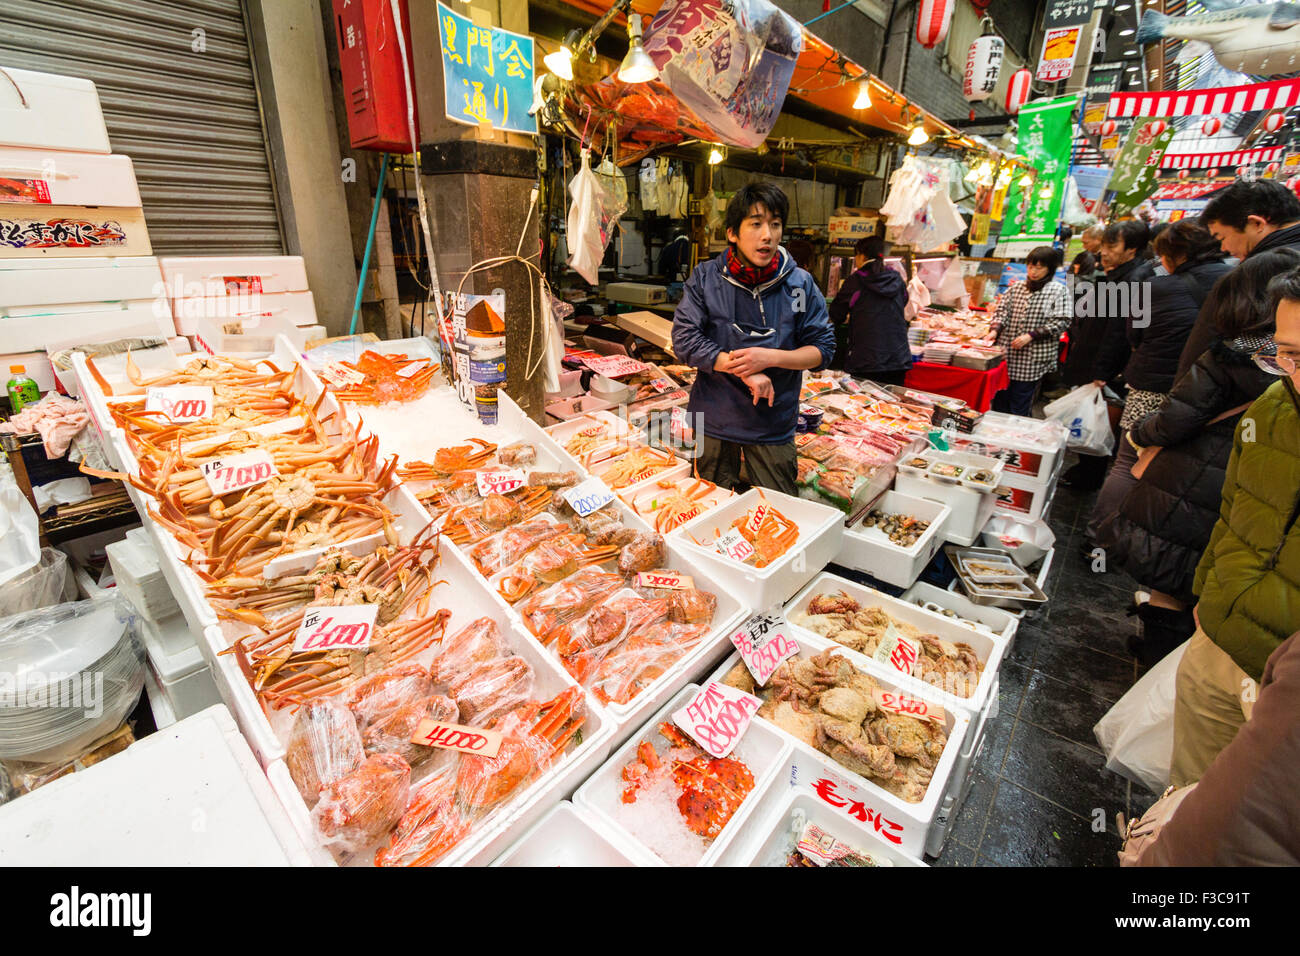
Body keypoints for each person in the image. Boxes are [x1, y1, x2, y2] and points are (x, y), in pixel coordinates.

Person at [1095, 249, 1298, 665]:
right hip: (1239, 491)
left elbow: (1177, 416)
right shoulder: (1274, 364)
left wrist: (1139, 432)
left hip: (1192, 478)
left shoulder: (1235, 352)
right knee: (1200, 574)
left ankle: (1158, 654)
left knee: (1169, 573)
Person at [1167, 262, 1300, 787]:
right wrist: (1208, 593)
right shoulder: (1272, 407)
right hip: (1218, 642)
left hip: (1287, 680)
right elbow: (1233, 511)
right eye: (1289, 353)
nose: (1299, 373)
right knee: (1182, 802)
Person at [1084, 220, 1232, 574]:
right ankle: (1143, 544)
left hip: (1153, 384)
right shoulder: (1231, 280)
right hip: (1211, 390)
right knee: (1173, 471)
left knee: (1127, 463)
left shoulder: (1153, 288)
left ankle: (1099, 542)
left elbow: (1130, 335)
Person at [671, 182, 836, 495]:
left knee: (777, 510)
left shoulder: (799, 285)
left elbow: (823, 349)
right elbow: (684, 338)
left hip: (772, 423)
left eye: (775, 225)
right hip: (714, 419)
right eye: (756, 224)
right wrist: (744, 369)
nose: (767, 235)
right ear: (733, 232)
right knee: (710, 505)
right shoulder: (706, 278)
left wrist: (770, 357)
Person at [1129, 630, 1300, 866]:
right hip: (1224, 635)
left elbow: (1239, 817)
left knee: (1226, 806)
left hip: (1266, 652)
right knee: (1191, 782)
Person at [1059, 220, 1155, 490]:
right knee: (1092, 421)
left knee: (1097, 423)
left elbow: (1118, 333)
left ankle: (1088, 478)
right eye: (1103, 245)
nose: (1104, 251)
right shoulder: (1121, 274)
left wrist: (1102, 372)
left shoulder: (1134, 279)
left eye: (1112, 245)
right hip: (1095, 360)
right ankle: (1084, 471)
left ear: (1132, 249)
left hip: (1103, 368)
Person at [1177, 179, 1300, 376]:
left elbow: (1201, 351)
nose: (1224, 249)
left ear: (1256, 223)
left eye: (1221, 238)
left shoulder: (1255, 272)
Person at [991, 246, 1071, 416]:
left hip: (1031, 359)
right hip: (1006, 354)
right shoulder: (1017, 287)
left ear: (1049, 269)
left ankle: (1015, 439)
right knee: (999, 400)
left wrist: (1031, 335)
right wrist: (994, 330)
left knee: (1020, 403)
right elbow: (1002, 312)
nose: (1033, 271)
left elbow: (1062, 321)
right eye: (1030, 266)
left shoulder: (1057, 290)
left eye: (1039, 267)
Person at [827, 236, 911, 386]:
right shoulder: (896, 279)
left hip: (866, 359)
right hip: (898, 358)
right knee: (891, 405)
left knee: (865, 403)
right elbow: (903, 301)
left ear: (862, 255)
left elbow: (836, 313)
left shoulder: (856, 281)